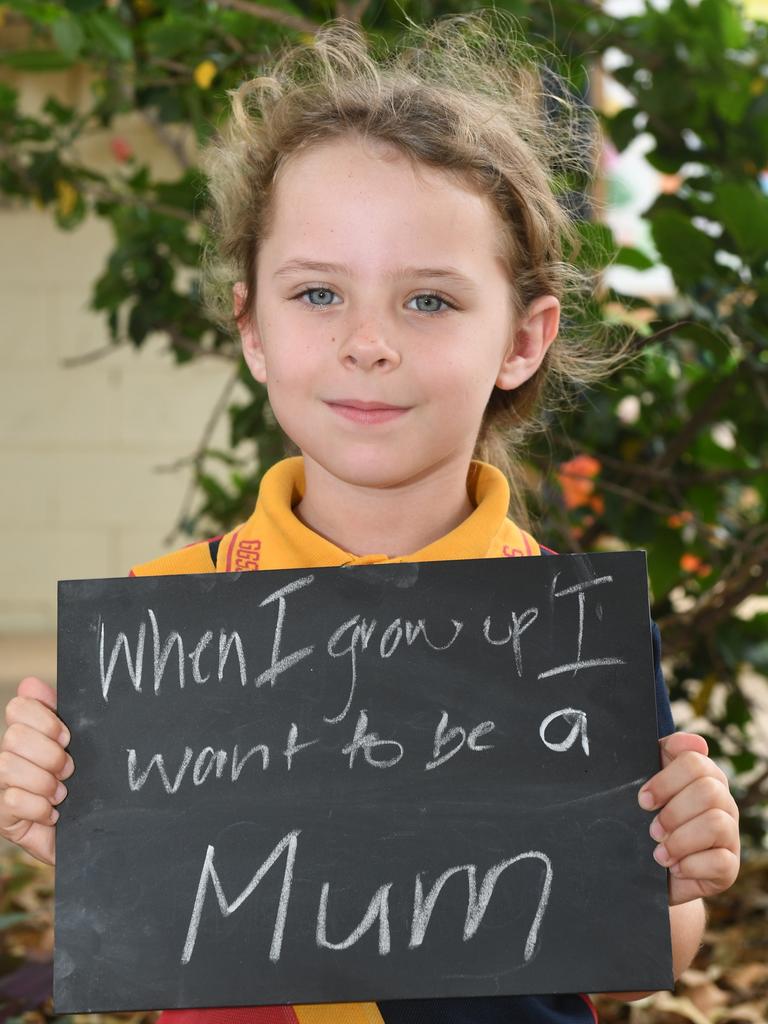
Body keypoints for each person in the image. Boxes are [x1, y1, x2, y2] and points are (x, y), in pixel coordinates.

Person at [0, 12, 739, 1024]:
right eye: (316, 293)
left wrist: (683, 876)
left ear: (523, 339)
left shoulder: (578, 635)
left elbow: (632, 952)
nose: (367, 344)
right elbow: (141, 914)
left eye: (428, 301)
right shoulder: (162, 623)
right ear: (251, 327)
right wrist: (70, 824)